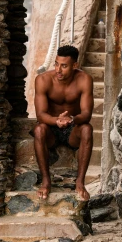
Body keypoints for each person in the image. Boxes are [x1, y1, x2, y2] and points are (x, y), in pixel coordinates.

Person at [33, 45, 94, 201]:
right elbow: (40, 115)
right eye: (56, 64)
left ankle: (80, 182)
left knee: (87, 129)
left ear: (75, 65)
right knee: (39, 130)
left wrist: (72, 120)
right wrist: (57, 120)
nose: (58, 70)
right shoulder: (43, 80)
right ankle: (46, 181)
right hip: (52, 129)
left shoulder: (84, 80)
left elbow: (86, 113)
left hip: (72, 128)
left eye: (64, 66)